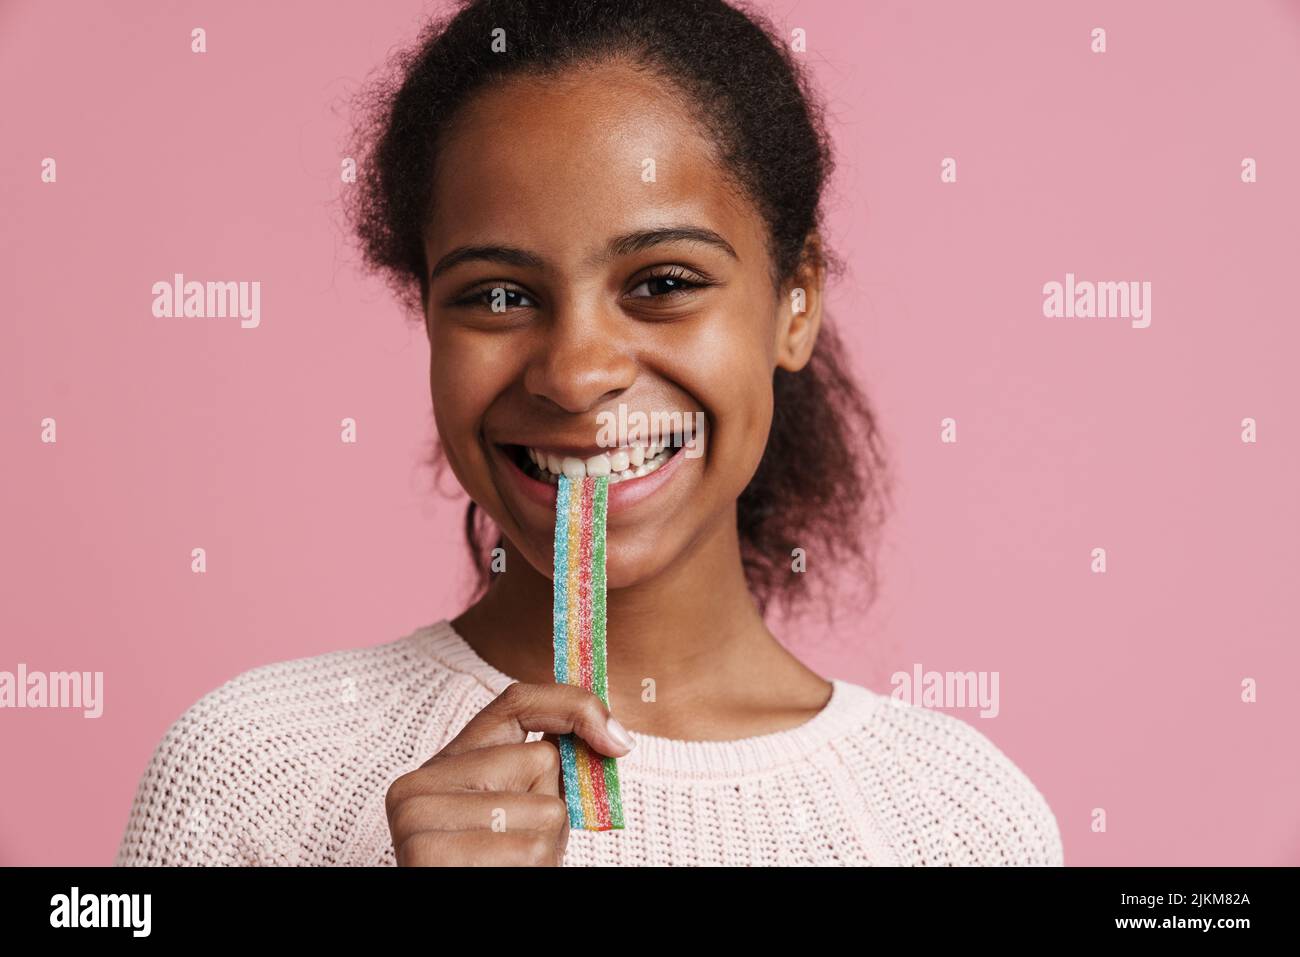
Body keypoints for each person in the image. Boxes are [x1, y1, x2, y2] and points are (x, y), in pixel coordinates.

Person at [114, 0, 1063, 867]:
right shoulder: (250, 776)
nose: (574, 374)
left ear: (795, 301)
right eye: (498, 295)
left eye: (663, 283)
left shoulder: (954, 823)